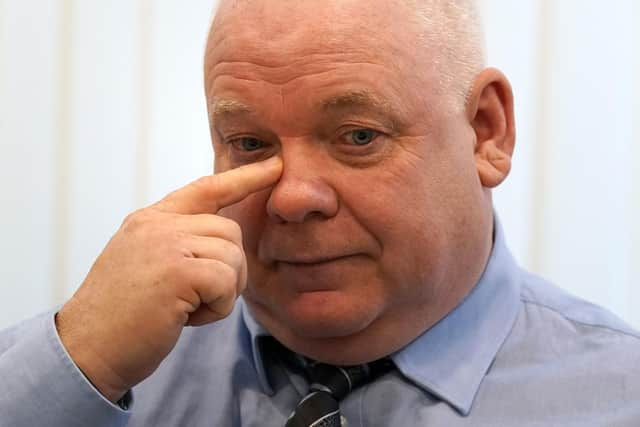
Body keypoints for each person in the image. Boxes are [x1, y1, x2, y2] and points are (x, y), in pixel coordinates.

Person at [1, 0, 639, 425]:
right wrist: (78, 362)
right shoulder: (108, 373)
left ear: (486, 131)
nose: (292, 196)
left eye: (358, 136)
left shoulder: (618, 396)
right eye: (250, 143)